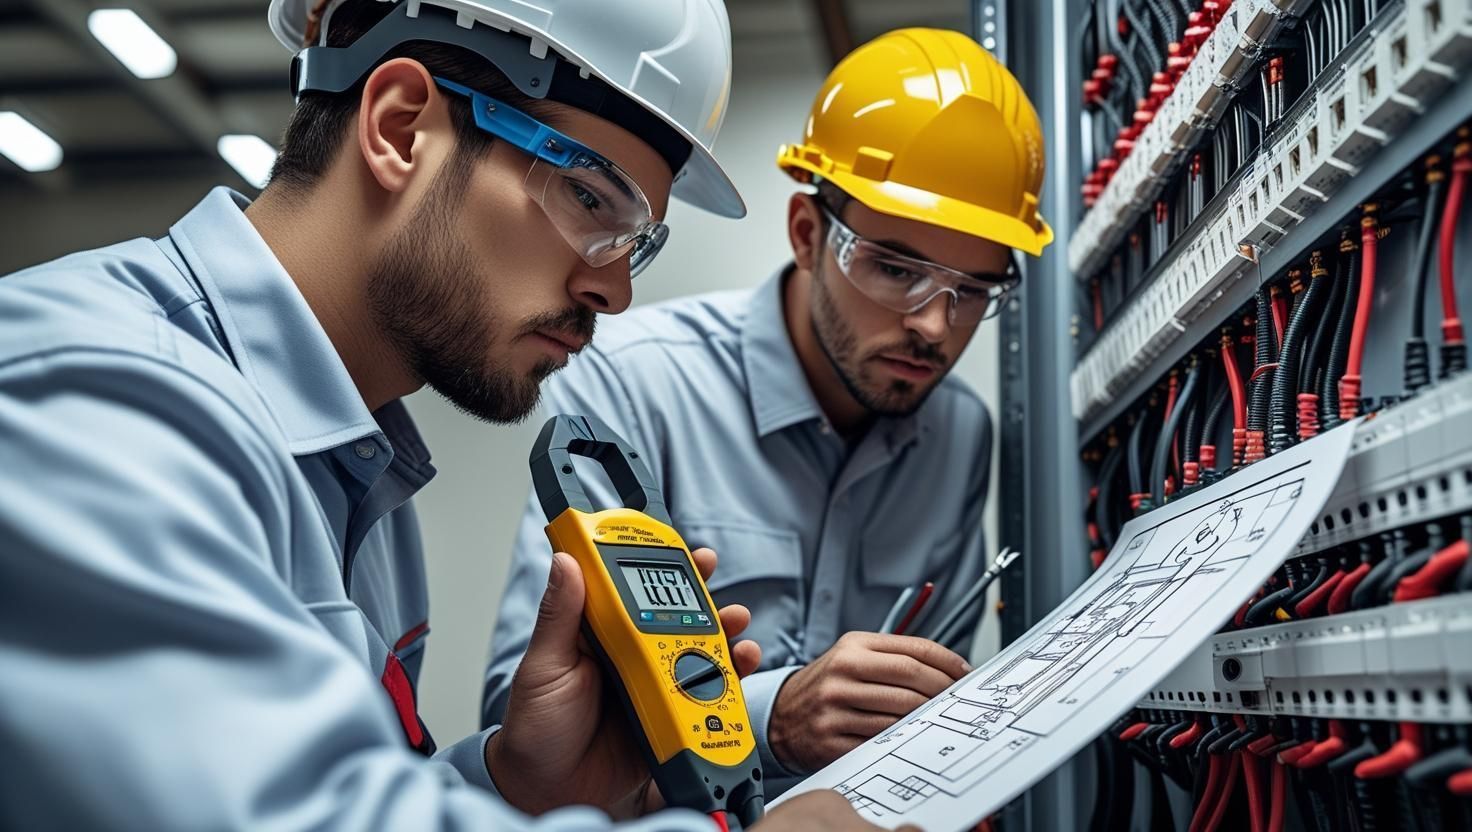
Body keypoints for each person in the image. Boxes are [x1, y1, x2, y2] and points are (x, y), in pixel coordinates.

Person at [0, 0, 882, 828]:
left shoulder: (365, 477)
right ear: (399, 129)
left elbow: (336, 782)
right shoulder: (92, 398)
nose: (612, 289)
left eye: (635, 241)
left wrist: (517, 780)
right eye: (589, 200)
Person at [484, 28, 1054, 794]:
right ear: (807, 234)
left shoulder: (959, 435)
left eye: (973, 290)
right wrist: (770, 715)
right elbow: (530, 732)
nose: (933, 324)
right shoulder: (636, 384)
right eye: (894, 268)